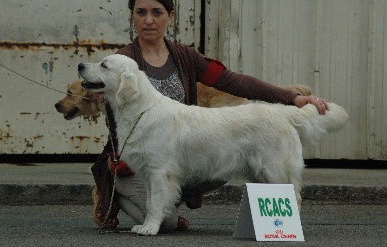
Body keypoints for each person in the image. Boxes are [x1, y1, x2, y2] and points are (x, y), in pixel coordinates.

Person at [91, 0, 330, 233]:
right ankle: (114, 192)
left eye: (157, 12)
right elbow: (111, 117)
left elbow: (232, 81)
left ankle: (169, 195)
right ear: (133, 16)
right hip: (131, 166)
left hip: (179, 153)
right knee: (165, 224)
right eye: (141, 12)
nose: (149, 20)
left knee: (221, 157)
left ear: (170, 17)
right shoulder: (122, 61)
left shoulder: (185, 56)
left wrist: (292, 98)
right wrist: (103, 94)